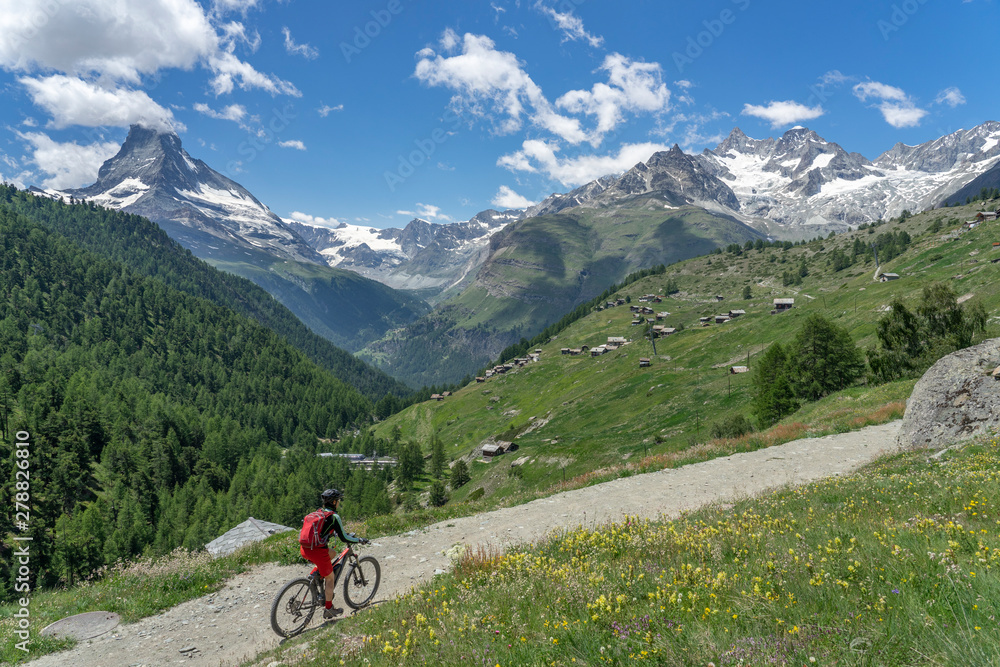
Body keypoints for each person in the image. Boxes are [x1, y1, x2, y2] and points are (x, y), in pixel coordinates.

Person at [299, 488, 369, 619]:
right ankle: (329, 609)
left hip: (305, 549)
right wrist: (359, 540)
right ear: (334, 502)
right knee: (330, 578)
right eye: (338, 500)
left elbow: (324, 530)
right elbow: (344, 538)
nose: (339, 503)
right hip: (317, 551)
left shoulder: (319, 512)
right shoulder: (334, 516)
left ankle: (316, 574)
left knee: (332, 553)